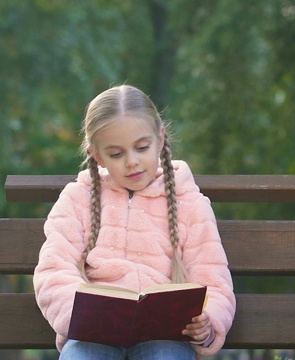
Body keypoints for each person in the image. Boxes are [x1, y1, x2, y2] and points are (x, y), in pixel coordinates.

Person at [33, 84, 236, 360]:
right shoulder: (77, 199)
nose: (132, 162)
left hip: (165, 336)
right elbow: (53, 270)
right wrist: (78, 315)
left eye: (142, 147)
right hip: (94, 334)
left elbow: (213, 279)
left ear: (160, 138)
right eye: (116, 154)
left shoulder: (190, 203)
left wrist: (208, 321)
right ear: (97, 155)